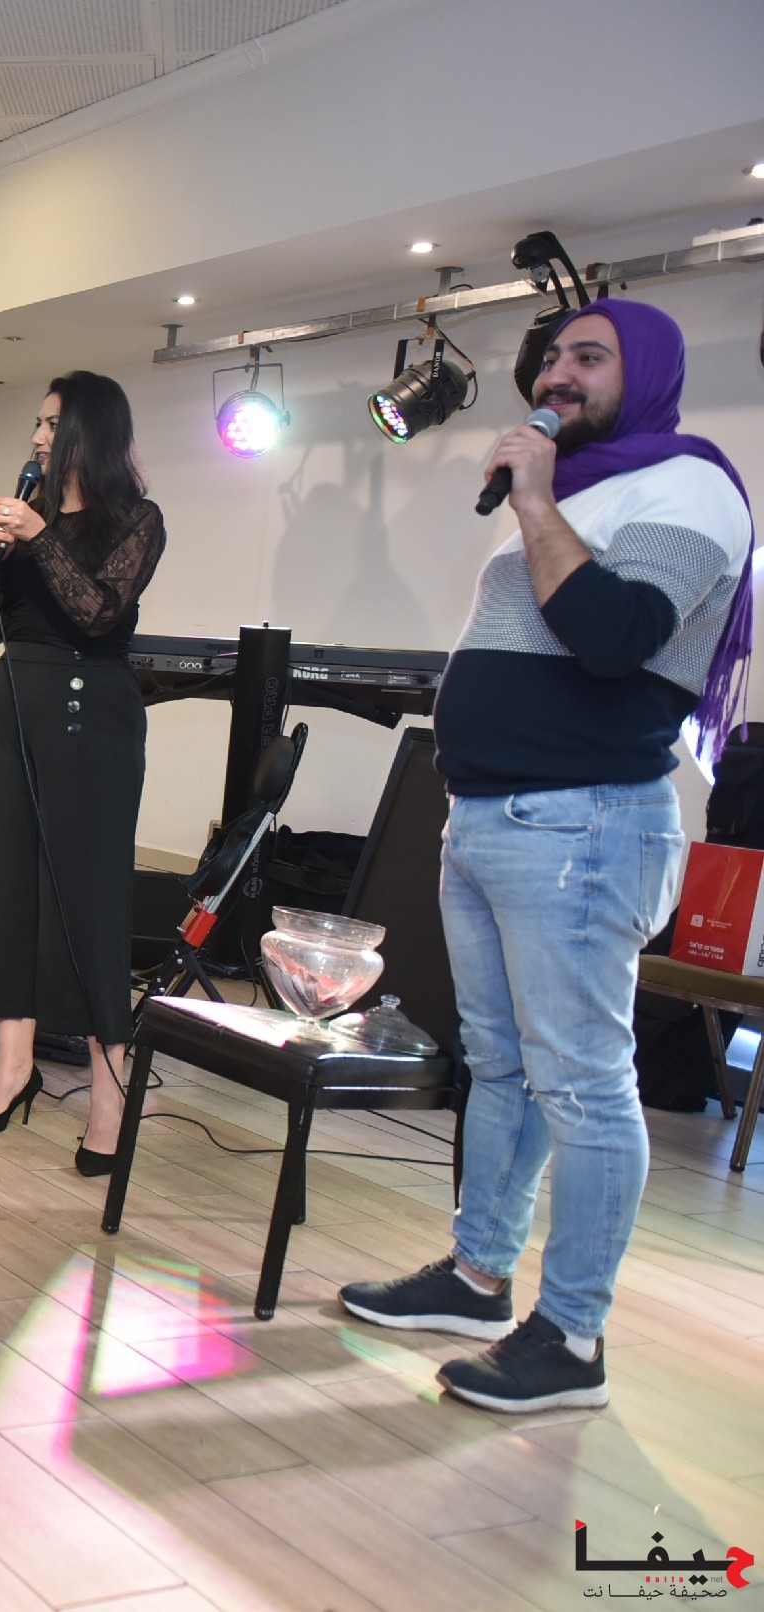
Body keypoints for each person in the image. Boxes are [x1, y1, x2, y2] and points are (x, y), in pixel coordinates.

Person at [339, 301, 750, 1414]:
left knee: (582, 1081)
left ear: (645, 372)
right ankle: (478, 1279)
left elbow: (616, 637)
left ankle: (571, 1338)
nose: (557, 374)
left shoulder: (688, 487)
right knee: (502, 1064)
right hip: (489, 817)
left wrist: (531, 499)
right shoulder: (574, 489)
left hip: (583, 823)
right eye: (553, 356)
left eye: (589, 357)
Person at [0, 373, 165, 1177]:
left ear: (89, 432)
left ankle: (109, 1099)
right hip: (9, 708)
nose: (37, 437)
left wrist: (38, 538)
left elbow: (99, 613)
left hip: (86, 714)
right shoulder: (27, 516)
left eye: (51, 423)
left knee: (86, 902)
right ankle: (11, 1069)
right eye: (36, 423)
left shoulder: (134, 519)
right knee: (1, 890)